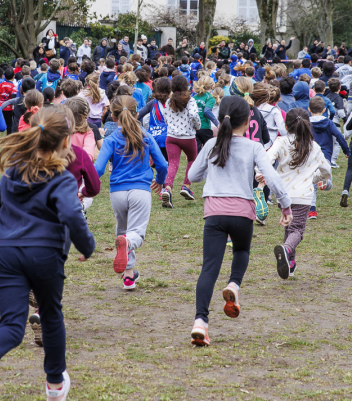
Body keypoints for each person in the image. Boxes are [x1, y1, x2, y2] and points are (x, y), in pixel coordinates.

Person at [0, 106, 95, 401]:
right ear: (65, 141)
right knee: (50, 314)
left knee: (11, 323)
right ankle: (55, 384)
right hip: (44, 253)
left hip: (5, 253)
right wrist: (88, 246)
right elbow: (71, 213)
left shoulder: (12, 173)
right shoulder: (61, 177)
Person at [186, 96, 291, 346]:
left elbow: (192, 175)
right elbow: (271, 177)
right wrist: (285, 205)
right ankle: (234, 284)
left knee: (209, 268)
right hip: (242, 212)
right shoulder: (253, 147)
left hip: (214, 213)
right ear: (248, 121)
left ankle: (200, 322)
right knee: (242, 250)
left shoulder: (211, 144)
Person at [95, 95, 168, 290]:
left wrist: (86, 188)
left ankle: (128, 276)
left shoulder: (111, 139)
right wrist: (160, 181)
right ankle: (127, 248)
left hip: (117, 193)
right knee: (135, 235)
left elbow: (99, 169)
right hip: (140, 191)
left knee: (124, 231)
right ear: (137, 113)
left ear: (112, 115)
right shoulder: (145, 135)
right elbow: (162, 164)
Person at [264, 107, 330, 279]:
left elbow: (267, 159)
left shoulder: (281, 142)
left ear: (286, 125)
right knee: (297, 230)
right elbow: (326, 171)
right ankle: (286, 250)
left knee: (289, 226)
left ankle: (290, 264)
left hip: (282, 193)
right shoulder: (313, 146)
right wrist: (316, 178)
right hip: (303, 195)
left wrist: (261, 172)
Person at [159, 75, 201, 207]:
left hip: (171, 137)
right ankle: (186, 185)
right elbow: (194, 115)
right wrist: (197, 126)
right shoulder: (191, 100)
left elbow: (165, 118)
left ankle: (168, 188)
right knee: (192, 159)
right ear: (185, 86)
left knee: (173, 163)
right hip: (188, 137)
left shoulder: (169, 101)